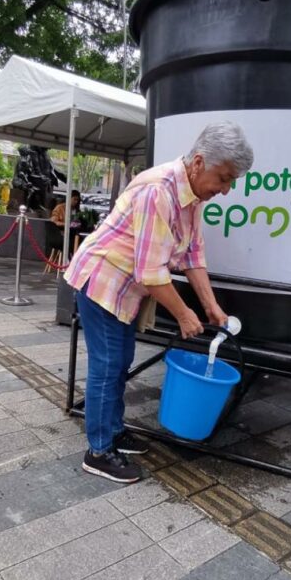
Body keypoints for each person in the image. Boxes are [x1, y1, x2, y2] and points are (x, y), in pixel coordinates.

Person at [64, 121, 254, 483]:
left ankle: (113, 429)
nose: (226, 190)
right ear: (199, 162)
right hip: (101, 279)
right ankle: (99, 449)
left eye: (231, 182)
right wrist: (184, 314)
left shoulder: (193, 197)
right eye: (224, 178)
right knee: (108, 365)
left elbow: (193, 255)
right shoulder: (159, 191)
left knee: (121, 361)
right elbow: (151, 271)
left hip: (126, 287)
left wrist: (211, 307)